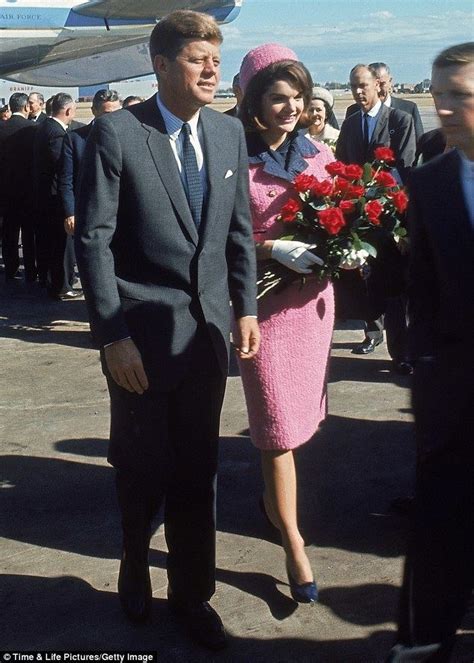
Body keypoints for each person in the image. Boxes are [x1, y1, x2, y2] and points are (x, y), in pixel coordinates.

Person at [75, 10, 259, 652]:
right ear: (160, 64)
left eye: (215, 59)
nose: (211, 69)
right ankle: (133, 556)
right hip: (142, 342)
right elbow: (95, 241)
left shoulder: (231, 134)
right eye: (196, 59)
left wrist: (246, 307)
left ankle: (192, 595)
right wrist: (112, 335)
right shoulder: (117, 134)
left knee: (197, 471)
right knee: (141, 466)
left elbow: (239, 233)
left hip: (206, 336)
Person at [237, 44, 335, 603]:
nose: (290, 107)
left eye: (297, 97)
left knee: (295, 423)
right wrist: (271, 246)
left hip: (311, 306)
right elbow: (216, 241)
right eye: (278, 98)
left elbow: (338, 216)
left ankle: (275, 507)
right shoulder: (230, 154)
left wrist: (346, 248)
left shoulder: (318, 153)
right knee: (275, 428)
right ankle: (294, 542)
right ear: (253, 100)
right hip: (262, 311)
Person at [387, 42, 474, 663]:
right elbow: (419, 287)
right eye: (439, 94)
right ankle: (424, 642)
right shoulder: (430, 183)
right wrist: (427, 368)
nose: (443, 109)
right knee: (441, 527)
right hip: (454, 395)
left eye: (460, 97)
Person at [335, 64, 415, 371]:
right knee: (373, 288)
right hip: (361, 222)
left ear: (377, 87)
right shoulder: (351, 123)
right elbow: (342, 167)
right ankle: (382, 340)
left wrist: (374, 198)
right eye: (354, 86)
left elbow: (403, 168)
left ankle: (404, 353)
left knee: (398, 290)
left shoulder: (399, 120)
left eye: (363, 86)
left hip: (392, 220)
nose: (358, 92)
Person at [33, 92, 78, 297]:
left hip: (42, 194)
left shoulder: (43, 127)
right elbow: (62, 167)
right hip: (54, 197)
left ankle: (50, 280)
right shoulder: (57, 133)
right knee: (61, 244)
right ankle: (62, 286)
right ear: (68, 110)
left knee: (48, 241)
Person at [0, 93, 37, 281]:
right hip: (29, 189)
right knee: (29, 233)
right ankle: (31, 270)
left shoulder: (1, 128)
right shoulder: (33, 129)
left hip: (5, 190)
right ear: (26, 108)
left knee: (9, 231)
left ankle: (10, 268)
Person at [345, 63, 424, 142]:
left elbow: (420, 144)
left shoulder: (408, 109)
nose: (378, 89)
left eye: (382, 84)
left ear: (390, 82)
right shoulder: (353, 112)